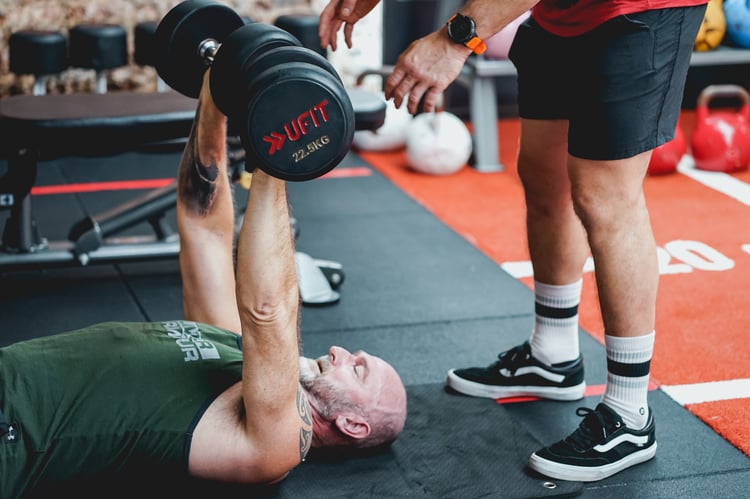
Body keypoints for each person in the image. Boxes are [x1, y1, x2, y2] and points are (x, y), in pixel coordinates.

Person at [319, 0, 707, 482]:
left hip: (638, 12)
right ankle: (553, 354)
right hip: (559, 12)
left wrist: (453, 39)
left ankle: (630, 415)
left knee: (604, 197)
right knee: (543, 175)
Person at [0, 70, 407, 498]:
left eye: (356, 367)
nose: (340, 352)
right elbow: (203, 226)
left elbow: (268, 309)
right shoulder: (232, 347)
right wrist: (215, 90)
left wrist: (276, 158)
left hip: (14, 430)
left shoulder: (278, 445)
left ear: (353, 424)